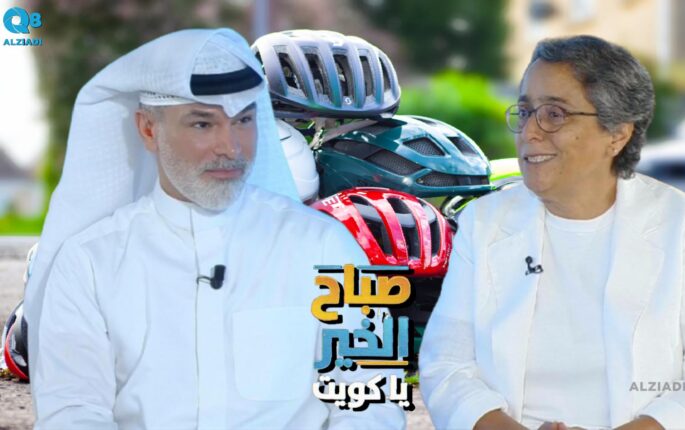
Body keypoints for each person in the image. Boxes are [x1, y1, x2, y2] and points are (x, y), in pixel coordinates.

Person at [27, 28, 405, 429]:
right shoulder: (88, 263)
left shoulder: (328, 246)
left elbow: (372, 400)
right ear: (148, 129)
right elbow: (72, 411)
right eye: (203, 124)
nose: (230, 147)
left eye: (243, 120)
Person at [419, 35, 685, 430]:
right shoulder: (484, 222)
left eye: (554, 114)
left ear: (617, 134)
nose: (529, 132)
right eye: (525, 112)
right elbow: (446, 364)